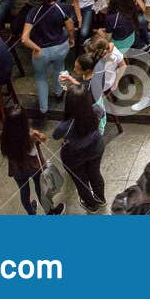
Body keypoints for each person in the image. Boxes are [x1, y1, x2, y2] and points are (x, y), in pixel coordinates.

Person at [0, 106, 63, 215]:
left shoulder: (5, 137)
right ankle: (50, 212)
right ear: (24, 120)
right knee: (41, 189)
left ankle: (31, 212)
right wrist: (37, 133)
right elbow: (44, 138)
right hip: (33, 167)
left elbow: (5, 152)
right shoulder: (30, 135)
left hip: (16, 169)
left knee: (24, 192)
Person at [52, 82, 107, 210]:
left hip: (74, 156)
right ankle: (101, 199)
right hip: (96, 147)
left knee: (81, 181)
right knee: (95, 173)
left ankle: (91, 204)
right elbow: (102, 116)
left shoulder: (64, 126)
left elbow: (55, 136)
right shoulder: (97, 110)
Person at [20, 0, 73, 110]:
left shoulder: (33, 12)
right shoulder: (62, 8)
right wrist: (71, 39)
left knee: (41, 78)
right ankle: (59, 93)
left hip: (41, 52)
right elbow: (70, 28)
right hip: (61, 47)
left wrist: (36, 48)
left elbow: (24, 39)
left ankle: (43, 109)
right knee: (59, 69)